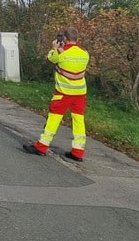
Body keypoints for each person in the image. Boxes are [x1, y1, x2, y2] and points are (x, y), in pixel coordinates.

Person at [23, 27, 90, 161]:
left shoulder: (61, 52)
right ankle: (78, 151)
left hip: (63, 93)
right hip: (80, 93)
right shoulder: (85, 53)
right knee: (79, 121)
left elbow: (48, 60)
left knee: (53, 119)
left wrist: (54, 47)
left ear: (64, 39)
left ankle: (41, 146)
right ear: (77, 39)